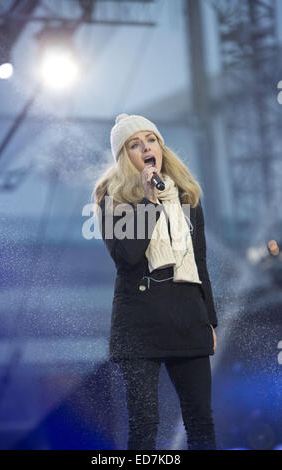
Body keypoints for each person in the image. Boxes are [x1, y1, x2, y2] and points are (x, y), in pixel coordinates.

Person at [93, 113, 218, 450]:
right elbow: (126, 258)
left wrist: (209, 320)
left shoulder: (188, 195)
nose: (145, 147)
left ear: (160, 146)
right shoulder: (112, 198)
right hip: (139, 322)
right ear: (124, 157)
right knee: (145, 427)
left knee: (201, 422)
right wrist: (148, 202)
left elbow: (200, 260)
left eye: (150, 140)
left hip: (188, 315)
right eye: (135, 144)